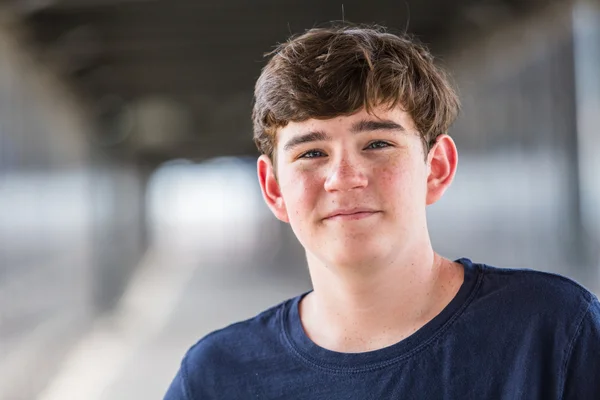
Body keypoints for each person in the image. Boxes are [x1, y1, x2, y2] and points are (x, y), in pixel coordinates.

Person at [164, 24, 600, 399]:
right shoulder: (217, 377)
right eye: (312, 152)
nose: (344, 177)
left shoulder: (553, 331)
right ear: (274, 188)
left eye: (377, 144)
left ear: (437, 169)